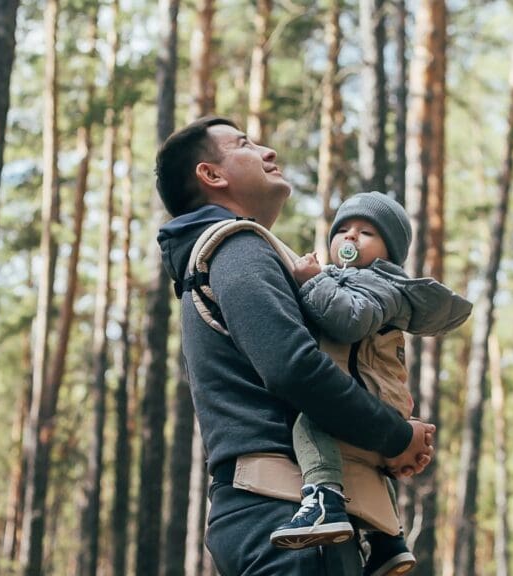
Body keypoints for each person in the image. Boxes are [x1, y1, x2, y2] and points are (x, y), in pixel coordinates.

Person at [155, 116, 436, 575]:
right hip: (283, 513)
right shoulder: (236, 247)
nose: (269, 152)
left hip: (282, 516)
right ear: (212, 175)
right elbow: (293, 369)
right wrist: (395, 435)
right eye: (245, 144)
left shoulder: (234, 254)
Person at [268, 192, 472, 576]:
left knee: (311, 426)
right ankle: (387, 541)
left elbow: (350, 321)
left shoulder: (381, 283)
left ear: (388, 253)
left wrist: (313, 283)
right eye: (342, 230)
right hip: (377, 394)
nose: (350, 238)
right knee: (367, 465)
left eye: (365, 232)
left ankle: (322, 500)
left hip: (365, 395)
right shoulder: (346, 279)